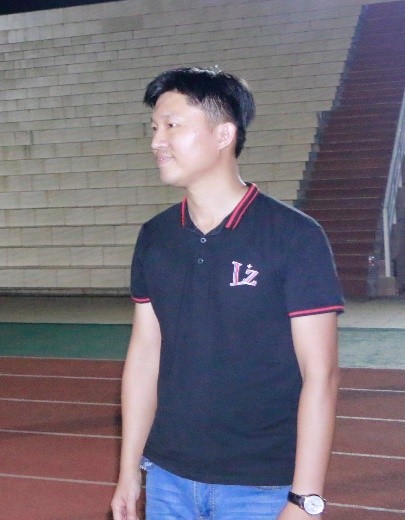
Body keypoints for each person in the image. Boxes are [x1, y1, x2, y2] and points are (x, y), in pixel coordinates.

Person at [110, 68, 343, 520]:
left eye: (172, 126)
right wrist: (129, 471)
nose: (157, 141)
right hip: (168, 480)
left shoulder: (294, 236)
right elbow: (144, 356)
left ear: (223, 134)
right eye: (154, 128)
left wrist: (304, 500)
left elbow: (322, 375)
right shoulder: (156, 237)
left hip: (261, 487)